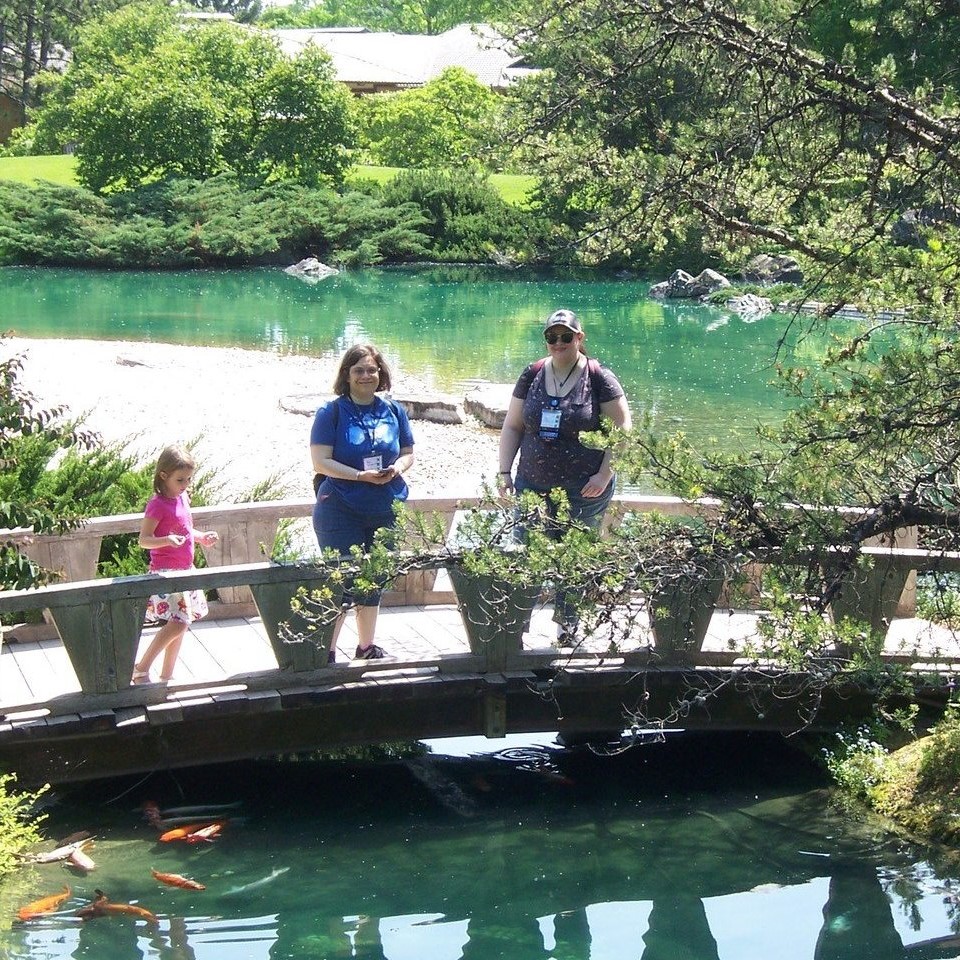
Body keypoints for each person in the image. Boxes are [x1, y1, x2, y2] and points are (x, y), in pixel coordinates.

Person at [497, 308, 631, 638]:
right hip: (531, 484)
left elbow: (623, 430)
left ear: (579, 338)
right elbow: (513, 426)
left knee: (574, 558)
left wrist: (604, 475)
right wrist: (503, 472)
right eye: (551, 337)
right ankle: (517, 630)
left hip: (584, 489)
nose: (558, 343)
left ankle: (568, 630)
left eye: (566, 336)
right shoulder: (532, 374)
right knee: (527, 554)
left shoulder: (599, 378)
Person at [311, 344, 415, 660]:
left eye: (372, 369)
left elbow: (408, 452)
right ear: (347, 374)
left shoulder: (393, 410)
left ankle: (366, 646)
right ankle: (326, 652)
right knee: (342, 579)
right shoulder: (331, 412)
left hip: (386, 506)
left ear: (380, 372)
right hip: (340, 508)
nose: (366, 375)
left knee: (375, 578)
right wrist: (359, 475)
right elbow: (320, 462)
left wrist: (397, 467)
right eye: (359, 370)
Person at [133, 445, 219, 684]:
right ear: (164, 476)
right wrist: (165, 541)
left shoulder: (182, 498)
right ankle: (141, 668)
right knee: (180, 623)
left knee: (182, 623)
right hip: (166, 572)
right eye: (180, 479)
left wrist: (201, 537)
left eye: (189, 479)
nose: (185, 484)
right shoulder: (157, 504)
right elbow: (144, 540)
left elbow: (183, 528)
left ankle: (166, 675)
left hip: (185, 569)